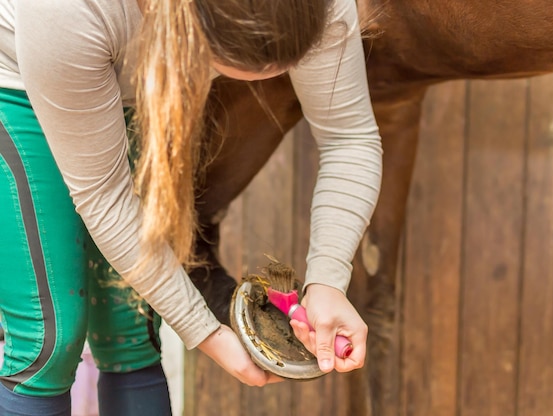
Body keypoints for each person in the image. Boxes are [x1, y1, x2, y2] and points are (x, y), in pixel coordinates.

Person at [0, 0, 382, 414]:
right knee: (51, 338)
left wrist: (328, 280)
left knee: (133, 329)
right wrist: (207, 335)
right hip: (20, 78)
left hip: (130, 77)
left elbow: (349, 137)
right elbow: (106, 199)